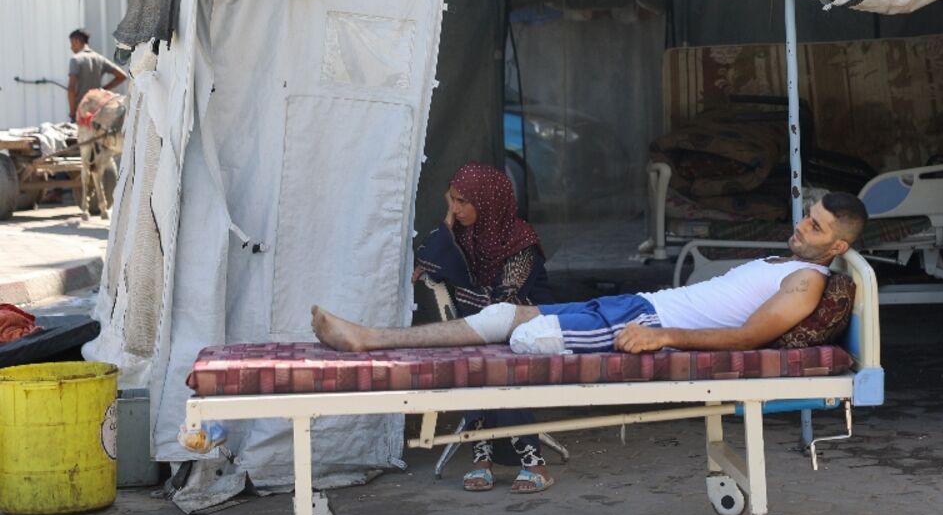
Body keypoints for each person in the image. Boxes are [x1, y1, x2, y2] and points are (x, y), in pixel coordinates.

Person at [313, 191, 866, 358]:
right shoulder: (784, 262)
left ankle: (378, 346)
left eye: (815, 228)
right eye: (805, 215)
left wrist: (665, 335)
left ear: (837, 245)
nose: (801, 227)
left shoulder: (807, 283)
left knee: (526, 337)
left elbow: (750, 338)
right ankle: (371, 338)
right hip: (640, 305)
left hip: (649, 321)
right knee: (506, 314)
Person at [412, 162, 556, 494]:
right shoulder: (464, 235)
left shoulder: (520, 241)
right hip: (485, 330)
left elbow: (504, 304)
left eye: (463, 202)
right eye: (452, 200)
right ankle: (483, 460)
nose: (457, 210)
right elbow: (427, 261)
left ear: (488, 201)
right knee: (477, 359)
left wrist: (465, 293)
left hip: (529, 328)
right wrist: (448, 221)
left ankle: (533, 463)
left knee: (494, 365)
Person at [67, 29, 127, 121]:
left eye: (72, 43)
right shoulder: (99, 59)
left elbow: (71, 88)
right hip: (98, 111)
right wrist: (102, 90)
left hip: (82, 111)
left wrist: (72, 112)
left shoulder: (75, 59)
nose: (71, 47)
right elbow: (122, 76)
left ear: (77, 41)